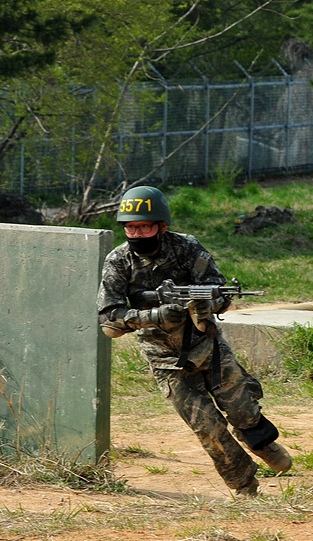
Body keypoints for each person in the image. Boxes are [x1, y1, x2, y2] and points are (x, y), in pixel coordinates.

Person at [96, 186, 292, 497]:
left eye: (145, 226)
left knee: (242, 407)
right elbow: (109, 317)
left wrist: (207, 306)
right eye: (131, 227)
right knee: (208, 428)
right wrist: (156, 316)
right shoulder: (119, 261)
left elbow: (217, 289)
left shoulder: (187, 248)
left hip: (208, 346)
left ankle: (262, 442)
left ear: (162, 226)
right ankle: (244, 486)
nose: (137, 233)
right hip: (165, 359)